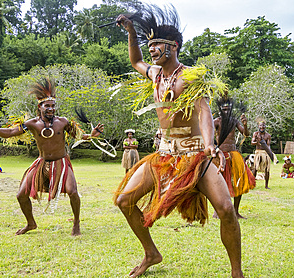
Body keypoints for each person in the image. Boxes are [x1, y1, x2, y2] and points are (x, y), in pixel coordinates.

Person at [114, 5, 244, 278]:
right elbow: (135, 61)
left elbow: (203, 110)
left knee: (226, 209)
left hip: (195, 154)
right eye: (149, 45)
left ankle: (236, 272)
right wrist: (130, 33)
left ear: (172, 47)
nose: (151, 50)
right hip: (163, 154)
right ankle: (151, 254)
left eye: (156, 45)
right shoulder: (155, 75)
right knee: (124, 201)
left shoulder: (190, 77)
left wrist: (210, 144)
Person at [0, 78, 103, 236]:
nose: (51, 109)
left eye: (53, 106)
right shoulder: (31, 124)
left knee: (73, 192)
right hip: (41, 163)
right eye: (47, 106)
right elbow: (10, 132)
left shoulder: (63, 122)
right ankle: (31, 223)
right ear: (40, 107)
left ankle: (76, 223)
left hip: (61, 163)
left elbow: (78, 135)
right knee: (21, 195)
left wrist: (91, 135)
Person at [213, 97, 255, 219]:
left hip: (234, 154)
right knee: (219, 183)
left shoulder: (234, 121)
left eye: (228, 109)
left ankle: (235, 211)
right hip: (221, 155)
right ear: (220, 110)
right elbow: (208, 135)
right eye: (224, 110)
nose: (226, 111)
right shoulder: (216, 121)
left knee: (239, 181)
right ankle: (217, 211)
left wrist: (245, 125)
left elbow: (246, 134)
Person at [251, 121, 273, 189]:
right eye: (260, 126)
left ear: (265, 127)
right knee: (255, 168)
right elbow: (252, 142)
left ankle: (266, 185)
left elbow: (268, 145)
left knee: (267, 169)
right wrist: (257, 143)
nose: (262, 127)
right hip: (258, 152)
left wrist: (269, 152)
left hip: (265, 152)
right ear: (258, 126)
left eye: (263, 126)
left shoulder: (268, 135)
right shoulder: (256, 134)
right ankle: (252, 184)